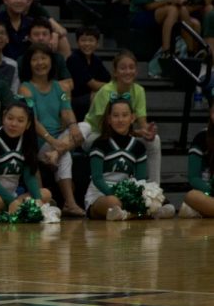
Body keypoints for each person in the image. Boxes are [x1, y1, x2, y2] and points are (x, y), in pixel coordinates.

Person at [77, 49, 163, 184]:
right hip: (97, 134)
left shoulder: (139, 90)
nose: (127, 71)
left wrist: (147, 131)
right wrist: (135, 132)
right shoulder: (106, 91)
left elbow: (142, 122)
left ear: (136, 70)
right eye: (123, 68)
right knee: (105, 140)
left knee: (154, 140)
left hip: (123, 133)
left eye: (131, 67)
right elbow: (105, 126)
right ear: (115, 72)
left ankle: (154, 188)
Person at [18, 43, 85, 216]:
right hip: (39, 141)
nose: (40, 63)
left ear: (51, 61)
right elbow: (32, 120)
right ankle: (70, 203)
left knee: (85, 126)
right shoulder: (25, 88)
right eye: (35, 59)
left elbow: (66, 109)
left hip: (59, 138)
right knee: (66, 154)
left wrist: (73, 126)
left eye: (44, 58)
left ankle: (55, 154)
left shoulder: (60, 88)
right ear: (29, 64)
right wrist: (52, 141)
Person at [86, 99, 174, 220]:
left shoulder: (138, 147)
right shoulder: (99, 144)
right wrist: (117, 195)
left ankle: (128, 213)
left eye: (125, 115)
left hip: (128, 195)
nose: (120, 120)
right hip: (102, 195)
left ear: (132, 118)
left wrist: (137, 197)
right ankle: (136, 213)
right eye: (116, 116)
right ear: (109, 119)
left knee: (167, 206)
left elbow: (140, 180)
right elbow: (97, 178)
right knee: (113, 203)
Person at [0, 101, 53, 222]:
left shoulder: (28, 142)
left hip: (13, 196)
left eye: (20, 120)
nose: (14, 124)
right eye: (10, 118)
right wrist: (11, 201)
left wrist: (38, 201)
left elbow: (29, 177)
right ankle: (15, 211)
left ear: (28, 124)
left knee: (45, 194)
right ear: (4, 118)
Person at [180, 106, 214, 218]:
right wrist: (211, 189)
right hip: (208, 194)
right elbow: (193, 178)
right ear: (211, 114)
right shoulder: (201, 138)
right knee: (191, 196)